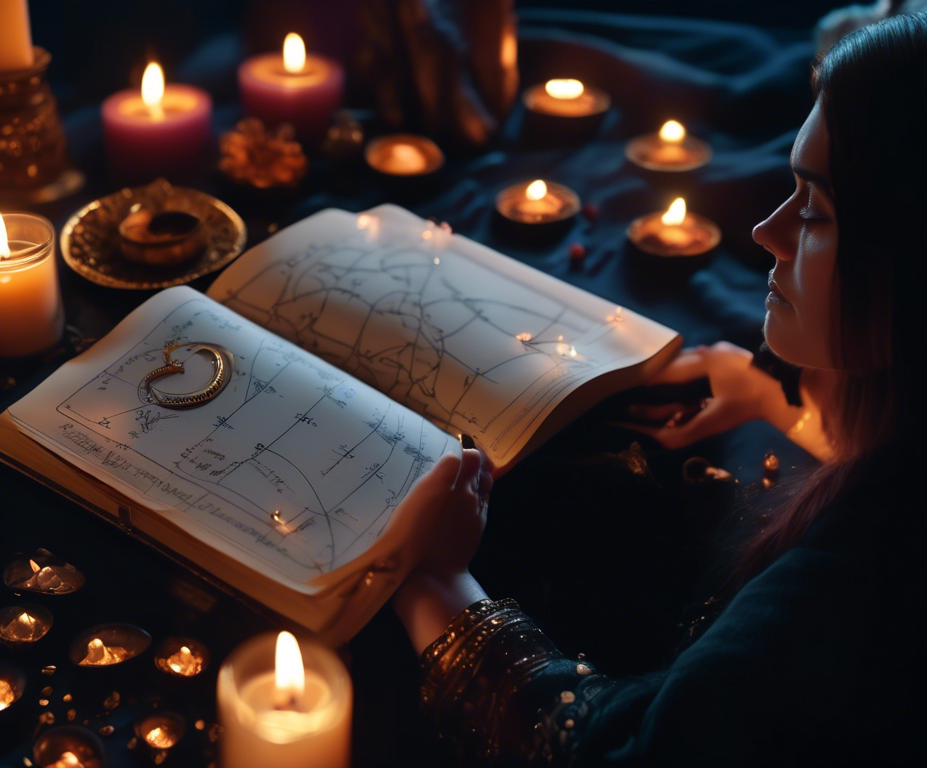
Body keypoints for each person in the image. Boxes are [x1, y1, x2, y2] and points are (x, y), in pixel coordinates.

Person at [390, 12, 926, 765]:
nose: (766, 232)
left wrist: (436, 584)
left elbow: (625, 752)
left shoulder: (858, 584)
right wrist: (778, 402)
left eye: (815, 210)